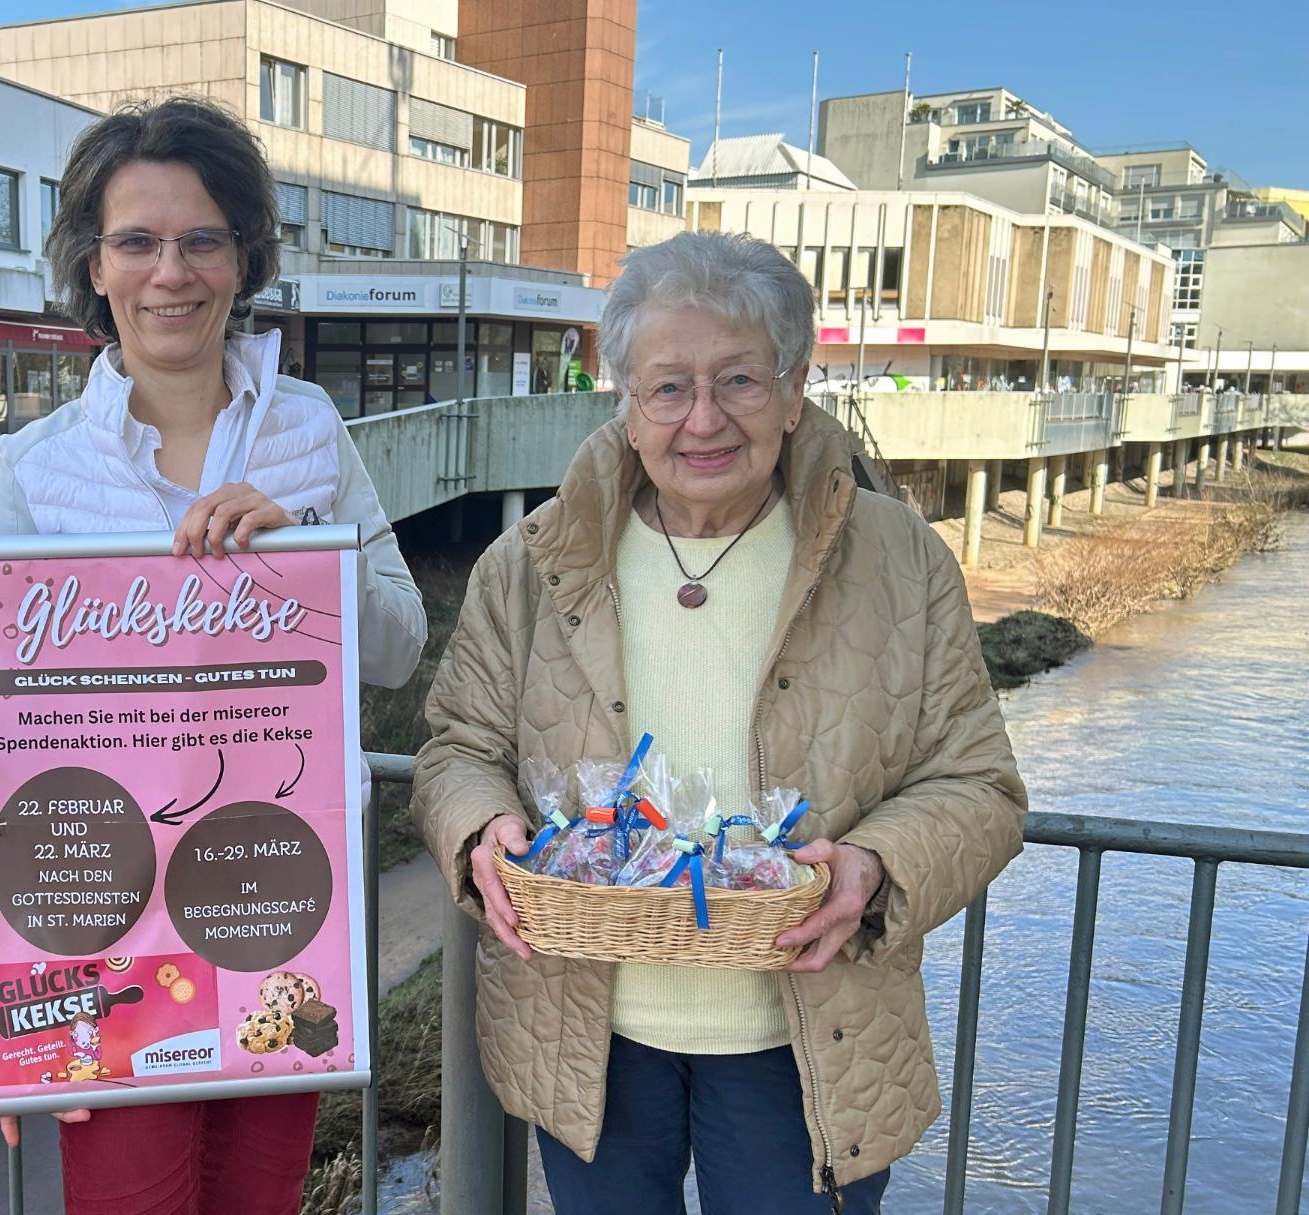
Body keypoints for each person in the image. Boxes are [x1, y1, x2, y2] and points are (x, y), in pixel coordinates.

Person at [411, 231, 1026, 1215]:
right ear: (624, 397)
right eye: (668, 387)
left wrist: (874, 869)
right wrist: (480, 829)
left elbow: (980, 785)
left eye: (739, 380)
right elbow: (458, 748)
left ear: (794, 389)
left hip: (811, 1040)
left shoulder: (898, 558)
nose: (703, 419)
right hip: (589, 1040)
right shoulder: (529, 563)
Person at [0, 96, 428, 1215]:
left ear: (242, 259)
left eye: (201, 239)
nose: (168, 272)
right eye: (135, 241)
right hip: (108, 938)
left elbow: (400, 649)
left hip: (274, 911)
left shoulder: (313, 432)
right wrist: (29, 1008)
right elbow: (3, 752)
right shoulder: (31, 470)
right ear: (92, 265)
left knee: (258, 1202)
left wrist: (302, 563)